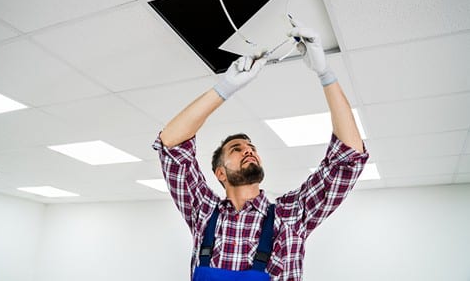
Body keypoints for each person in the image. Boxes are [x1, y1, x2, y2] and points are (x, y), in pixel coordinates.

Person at [153, 26, 369, 281]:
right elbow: (172, 145)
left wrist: (326, 74)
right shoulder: (203, 211)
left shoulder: (291, 215)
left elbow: (348, 159)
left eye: (251, 148)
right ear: (220, 172)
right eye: (237, 149)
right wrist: (223, 89)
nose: (249, 151)